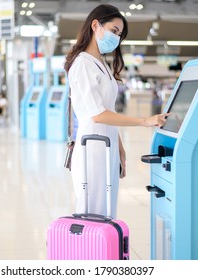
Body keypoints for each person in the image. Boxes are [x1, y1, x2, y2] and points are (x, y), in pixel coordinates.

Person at [64, 4, 169, 219]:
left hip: (106, 145)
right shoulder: (83, 63)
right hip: (92, 148)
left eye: (119, 35)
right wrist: (144, 121)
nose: (116, 38)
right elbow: (97, 114)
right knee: (93, 213)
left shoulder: (100, 64)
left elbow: (107, 110)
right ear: (96, 25)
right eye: (113, 30)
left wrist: (119, 147)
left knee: (106, 211)